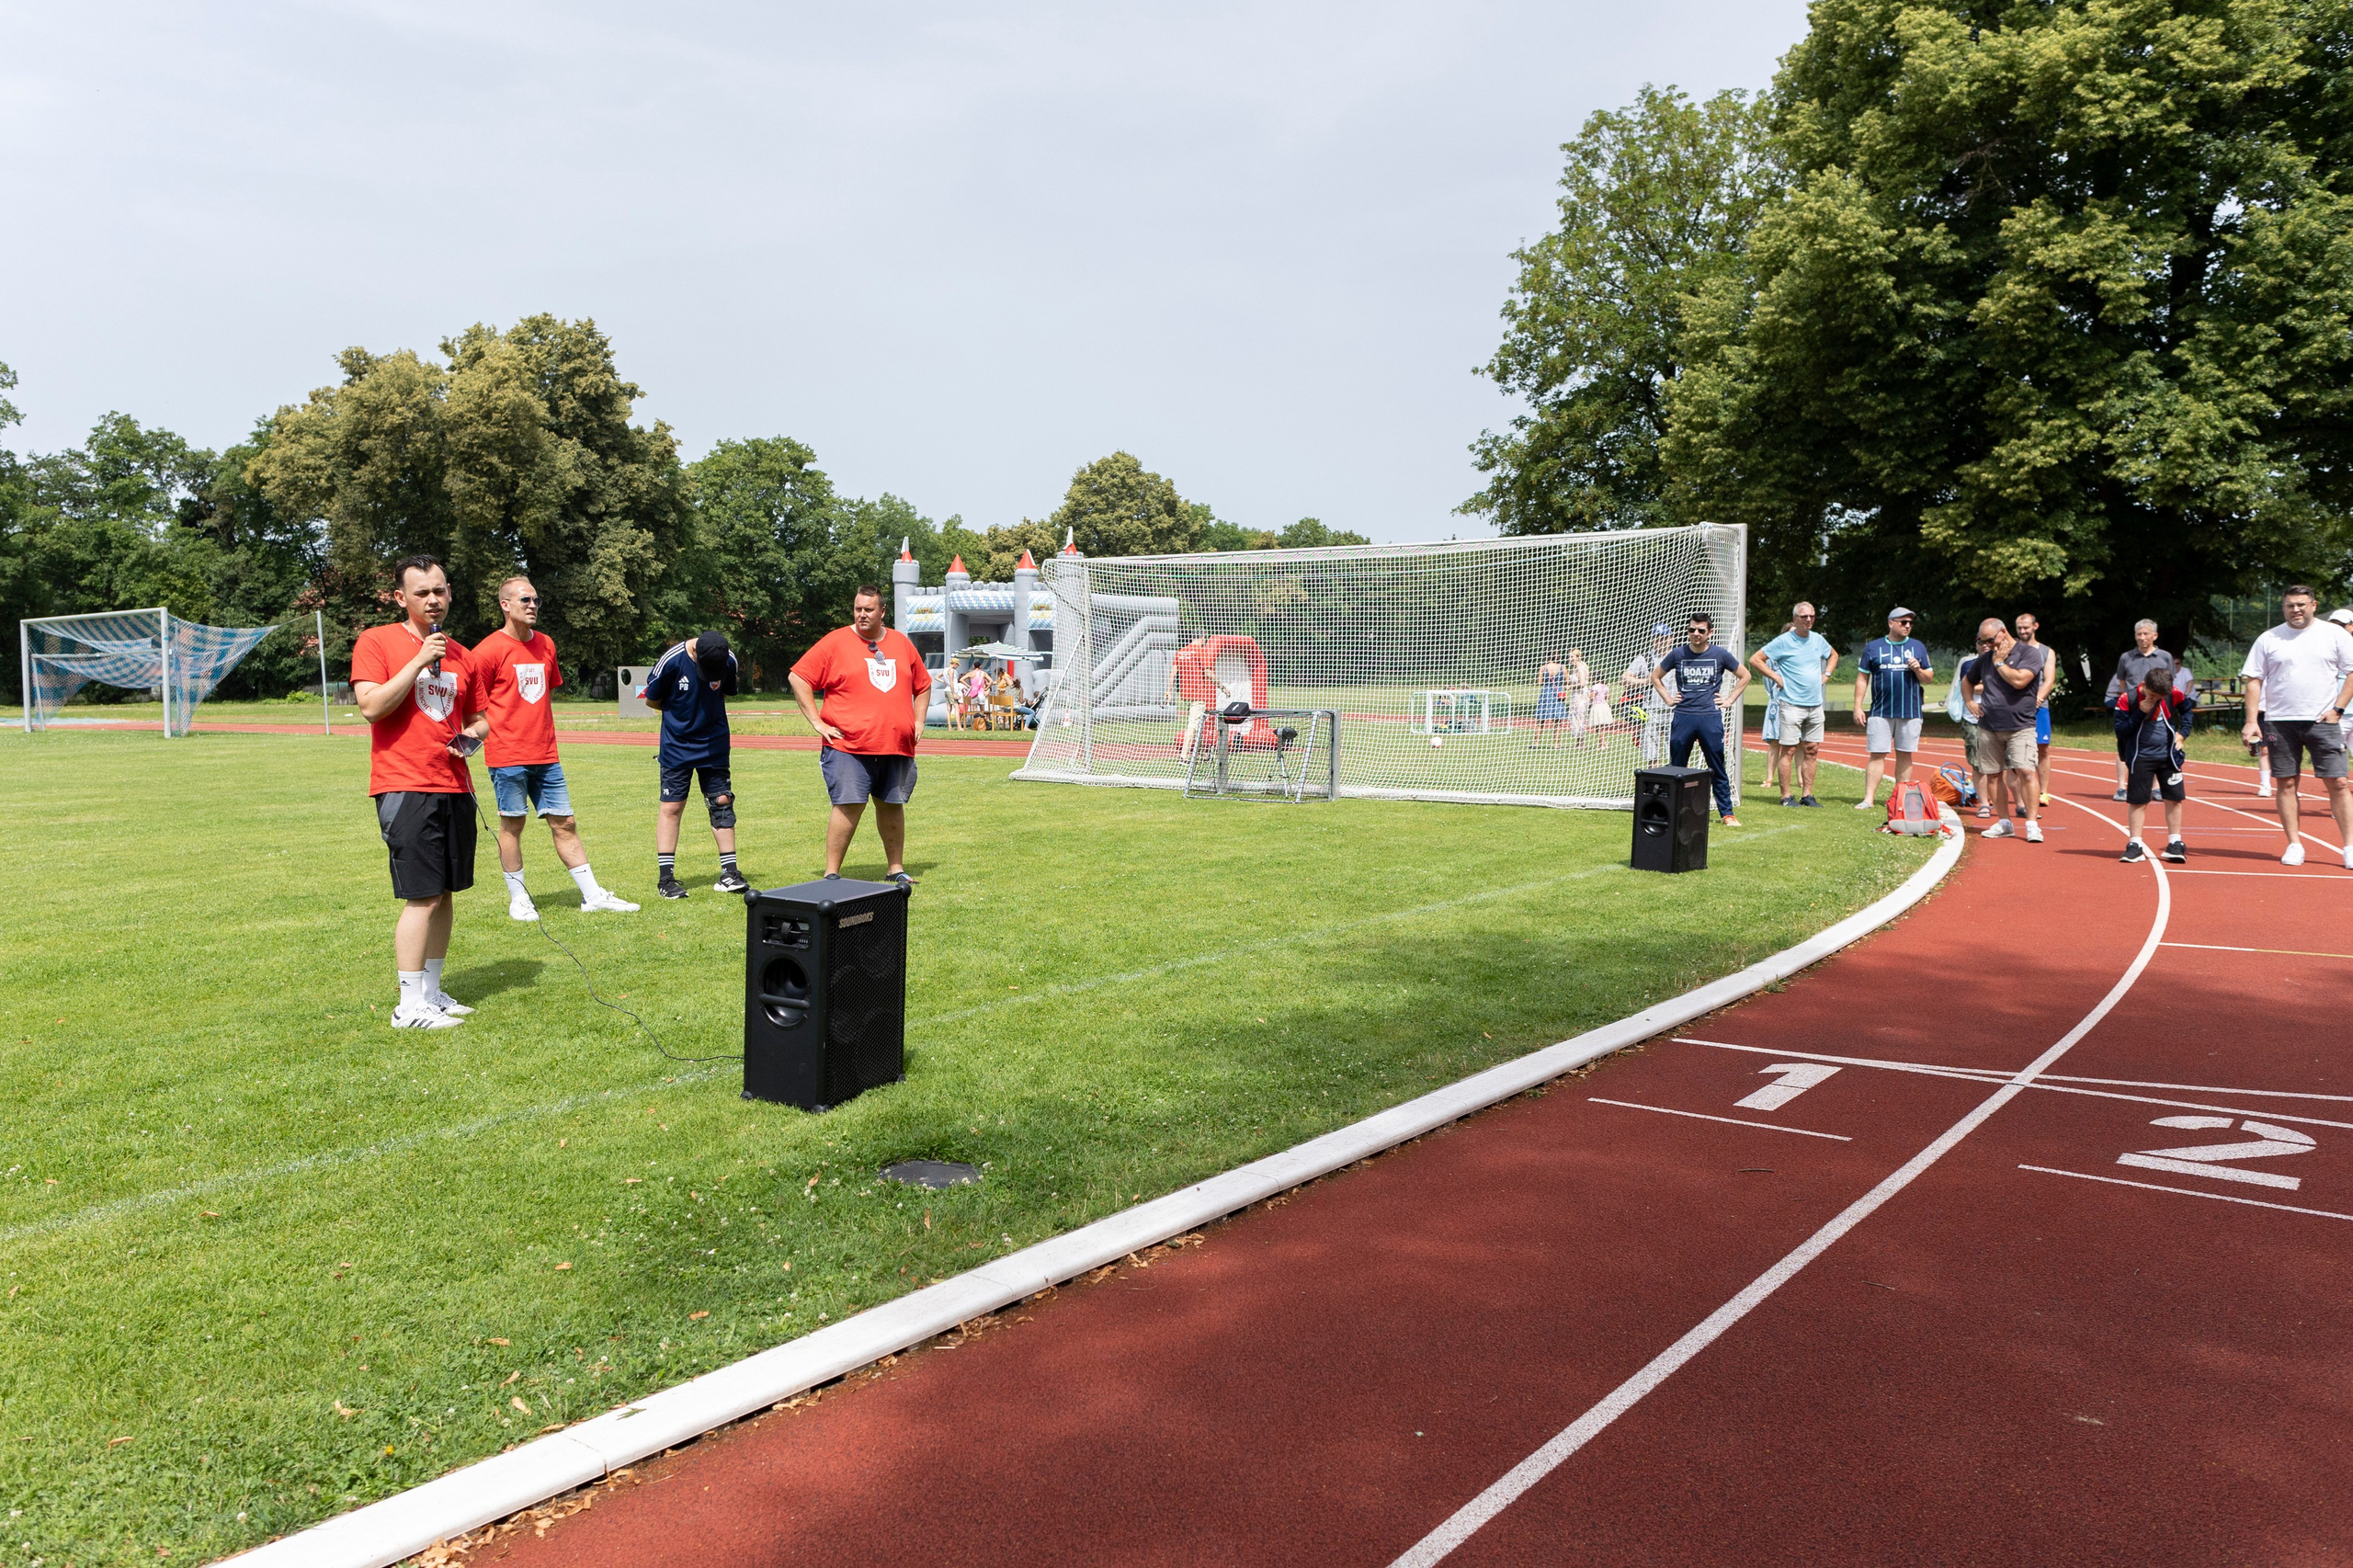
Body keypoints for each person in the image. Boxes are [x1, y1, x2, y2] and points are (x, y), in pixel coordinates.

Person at [350, 555, 491, 1030]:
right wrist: (417, 659)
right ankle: (408, 1007)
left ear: (449, 592)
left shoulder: (464, 655)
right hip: (404, 785)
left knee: (447, 892)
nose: (432, 600)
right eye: (421, 593)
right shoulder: (378, 641)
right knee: (423, 896)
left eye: (439, 591)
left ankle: (432, 993)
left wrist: (471, 739)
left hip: (454, 784)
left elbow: (480, 718)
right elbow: (371, 706)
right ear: (401, 598)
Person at [473, 576, 637, 921]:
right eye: (524, 600)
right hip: (507, 756)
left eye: (536, 600)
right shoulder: (487, 650)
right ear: (505, 605)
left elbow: (542, 694)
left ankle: (593, 895)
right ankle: (518, 899)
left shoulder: (546, 644)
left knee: (566, 823)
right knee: (512, 826)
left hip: (546, 755)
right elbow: (475, 705)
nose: (532, 605)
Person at [790, 584, 933, 886]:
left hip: (895, 744)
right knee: (848, 804)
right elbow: (798, 677)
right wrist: (817, 721)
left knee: (892, 804)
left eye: (868, 609)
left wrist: (919, 721)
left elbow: (923, 684)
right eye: (858, 609)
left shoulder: (901, 644)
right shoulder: (835, 642)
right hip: (848, 745)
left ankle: (896, 869)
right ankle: (831, 874)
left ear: (882, 612)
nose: (862, 615)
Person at [2238, 585, 2353, 868]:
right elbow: (2253, 679)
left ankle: (2349, 846)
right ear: (2284, 607)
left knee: (2338, 782)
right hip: (2280, 721)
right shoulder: (2269, 638)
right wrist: (2252, 720)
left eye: (2302, 604)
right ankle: (2294, 844)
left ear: (2313, 605)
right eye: (2290, 605)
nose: (2296, 610)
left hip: (2322, 721)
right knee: (2286, 782)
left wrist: (2337, 709)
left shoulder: (2334, 634)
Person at [645, 630, 745, 899]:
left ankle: (730, 874)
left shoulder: (728, 659)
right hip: (677, 746)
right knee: (672, 807)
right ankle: (666, 880)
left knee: (722, 802)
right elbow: (652, 698)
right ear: (696, 653)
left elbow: (725, 693)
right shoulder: (672, 660)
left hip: (714, 745)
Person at [1652, 611, 1750, 826]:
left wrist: (1730, 699)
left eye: (1701, 630)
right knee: (1677, 767)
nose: (1696, 634)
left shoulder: (1720, 654)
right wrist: (1668, 699)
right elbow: (1655, 676)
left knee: (1717, 765)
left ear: (1709, 633)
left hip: (1709, 718)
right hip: (1683, 717)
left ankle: (1727, 814)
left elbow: (1745, 675)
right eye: (1692, 630)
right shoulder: (1677, 654)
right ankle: (1674, 811)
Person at [1962, 617, 2048, 842]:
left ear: (2003, 632)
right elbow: (1967, 681)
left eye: (1990, 640)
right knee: (1992, 775)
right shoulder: (1985, 658)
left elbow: (2020, 681)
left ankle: (2031, 825)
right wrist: (1970, 702)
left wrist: (2000, 664)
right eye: (1983, 641)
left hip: (2021, 725)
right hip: (1989, 726)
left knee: (2026, 772)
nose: (1987, 645)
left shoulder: (2029, 654)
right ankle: (2004, 823)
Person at [1749, 601, 1839, 806]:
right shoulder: (1783, 641)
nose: (1809, 620)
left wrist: (1826, 674)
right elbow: (1755, 660)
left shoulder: (1818, 639)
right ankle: (1786, 796)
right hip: (1790, 704)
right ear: (1795, 619)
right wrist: (1776, 677)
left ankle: (1807, 795)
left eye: (1812, 616)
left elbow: (1833, 655)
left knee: (1812, 749)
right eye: (1804, 617)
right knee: (1788, 750)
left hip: (1815, 704)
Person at [1850, 608, 1933, 811]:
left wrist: (1917, 669)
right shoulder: (1873, 647)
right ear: (1891, 623)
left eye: (1910, 623)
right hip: (1880, 710)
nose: (1907, 626)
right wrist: (1857, 707)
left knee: (1905, 754)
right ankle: (1869, 799)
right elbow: (1863, 678)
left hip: (1911, 711)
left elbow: (1929, 678)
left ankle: (1901, 796)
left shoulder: (1918, 647)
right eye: (1903, 622)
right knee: (1877, 753)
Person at [2116, 666, 2191, 865]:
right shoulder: (2127, 699)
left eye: (2160, 697)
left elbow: (2187, 710)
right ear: (2144, 686)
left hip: (2169, 757)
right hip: (2140, 756)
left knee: (2174, 799)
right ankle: (2135, 844)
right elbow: (2121, 730)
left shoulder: (2173, 694)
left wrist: (2183, 733)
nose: (2156, 699)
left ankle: (2175, 843)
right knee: (2138, 801)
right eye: (2152, 695)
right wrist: (2140, 712)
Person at [2103, 620, 2178, 801]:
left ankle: (2157, 787)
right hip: (2133, 706)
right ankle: (2122, 786)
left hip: (2157, 709)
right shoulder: (2126, 657)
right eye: (2139, 634)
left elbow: (2170, 682)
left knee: (2155, 745)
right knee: (2124, 744)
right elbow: (2122, 682)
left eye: (2146, 634)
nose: (2142, 638)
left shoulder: (2165, 657)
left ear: (2155, 636)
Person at [2014, 611, 2061, 808]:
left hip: (2039, 707)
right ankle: (2019, 792)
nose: (2023, 631)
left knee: (2043, 749)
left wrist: (2037, 700)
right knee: (2013, 749)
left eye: (2026, 627)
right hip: (2015, 706)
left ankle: (2043, 792)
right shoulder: (2012, 650)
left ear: (2035, 626)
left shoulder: (2046, 652)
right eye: (2019, 628)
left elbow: (2049, 679)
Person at [1624, 627, 1675, 766]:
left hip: (1675, 710)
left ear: (1671, 638)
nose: (1660, 641)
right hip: (1651, 710)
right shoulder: (1644, 659)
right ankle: (1655, 783)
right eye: (1657, 637)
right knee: (1652, 753)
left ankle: (1680, 783)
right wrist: (1645, 681)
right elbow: (1624, 679)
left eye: (1664, 637)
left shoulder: (1677, 656)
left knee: (1678, 751)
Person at [1534, 653, 1569, 746]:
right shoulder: (1563, 667)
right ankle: (1556, 744)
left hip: (1546, 693)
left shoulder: (1543, 667)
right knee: (1557, 721)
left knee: (1540, 719)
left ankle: (1536, 742)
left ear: (1548, 657)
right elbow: (1567, 681)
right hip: (1558, 694)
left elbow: (1539, 682)